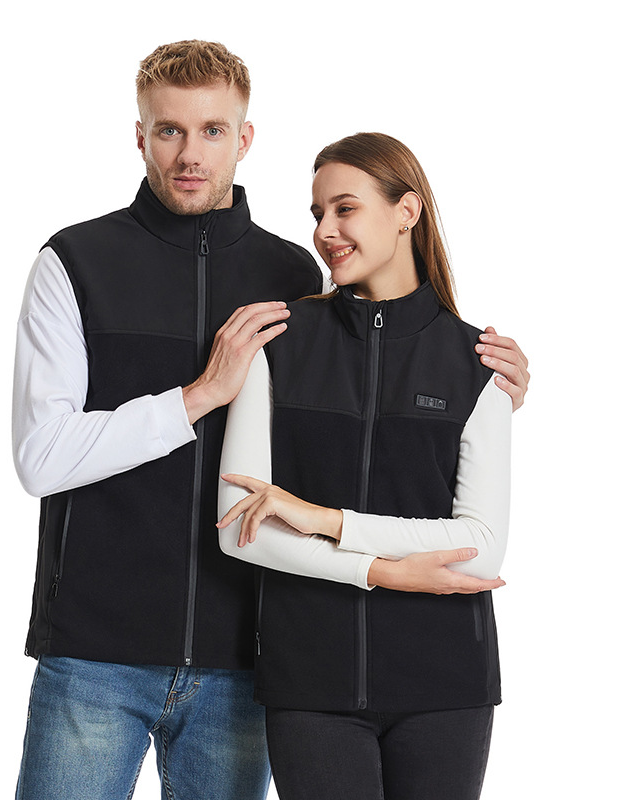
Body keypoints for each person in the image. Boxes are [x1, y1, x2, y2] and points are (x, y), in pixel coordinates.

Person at [12, 40, 529, 800]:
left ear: (244, 138)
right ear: (140, 135)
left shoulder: (293, 278)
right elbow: (41, 456)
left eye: (213, 130)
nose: (190, 153)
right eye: (169, 130)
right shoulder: (76, 261)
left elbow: (376, 400)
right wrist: (199, 394)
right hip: (96, 648)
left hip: (247, 657)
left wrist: (483, 395)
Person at [217, 132, 513, 800]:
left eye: (344, 208)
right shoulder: (278, 344)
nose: (325, 231)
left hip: (446, 685)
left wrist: (323, 519)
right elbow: (241, 528)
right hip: (309, 680)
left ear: (407, 211)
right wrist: (380, 570)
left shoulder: (479, 364)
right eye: (317, 213)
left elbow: (479, 546)